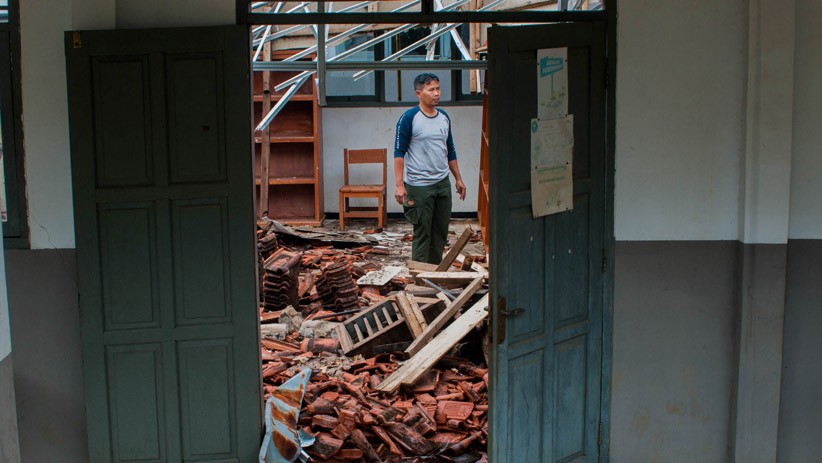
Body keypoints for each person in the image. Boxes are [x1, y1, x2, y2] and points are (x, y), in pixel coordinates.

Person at [393, 73, 467, 265]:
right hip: (419, 186)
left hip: (442, 183)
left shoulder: (444, 117)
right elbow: (399, 153)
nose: (436, 93)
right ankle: (419, 279)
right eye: (431, 89)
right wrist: (399, 185)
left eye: (438, 88)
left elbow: (449, 150)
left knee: (439, 233)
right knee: (423, 232)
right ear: (419, 93)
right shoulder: (409, 118)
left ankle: (434, 274)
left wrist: (458, 178)